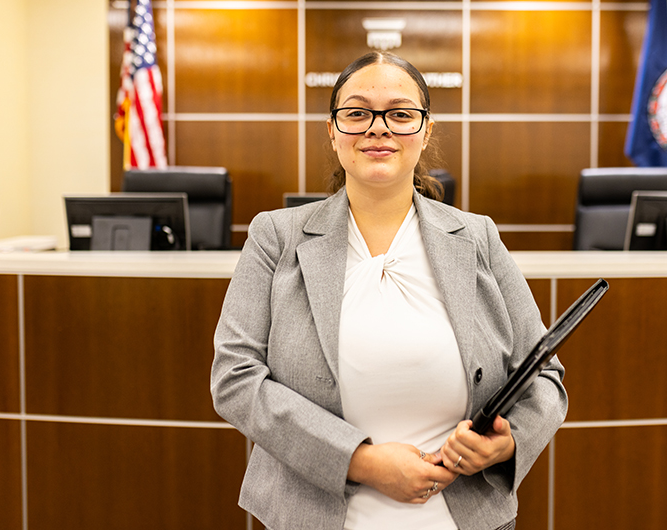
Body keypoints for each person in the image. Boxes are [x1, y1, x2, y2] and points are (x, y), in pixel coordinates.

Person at [210, 51, 567, 530]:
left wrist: (509, 442)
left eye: (400, 114)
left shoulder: (478, 236)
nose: (378, 128)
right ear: (333, 131)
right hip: (311, 515)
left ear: (425, 131)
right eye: (356, 113)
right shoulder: (276, 236)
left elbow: (544, 375)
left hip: (465, 517)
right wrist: (360, 461)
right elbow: (235, 377)